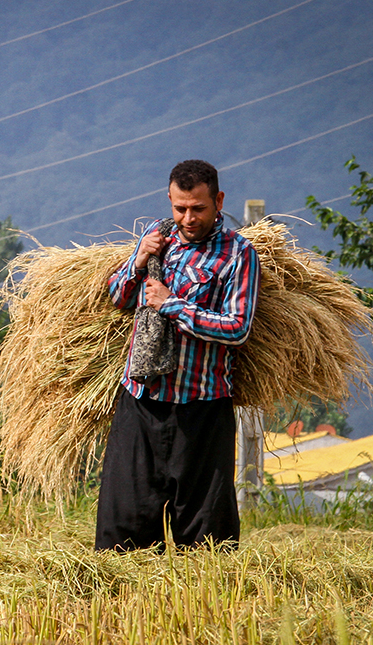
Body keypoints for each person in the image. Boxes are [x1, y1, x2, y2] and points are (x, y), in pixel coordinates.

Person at [96, 159, 260, 551]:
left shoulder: (238, 254)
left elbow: (237, 328)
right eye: (180, 208)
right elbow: (118, 297)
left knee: (207, 541)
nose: (188, 218)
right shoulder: (157, 238)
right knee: (124, 530)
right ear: (169, 201)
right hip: (141, 401)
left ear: (218, 201)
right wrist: (138, 259)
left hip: (202, 410)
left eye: (198, 208)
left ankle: (204, 610)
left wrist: (173, 305)